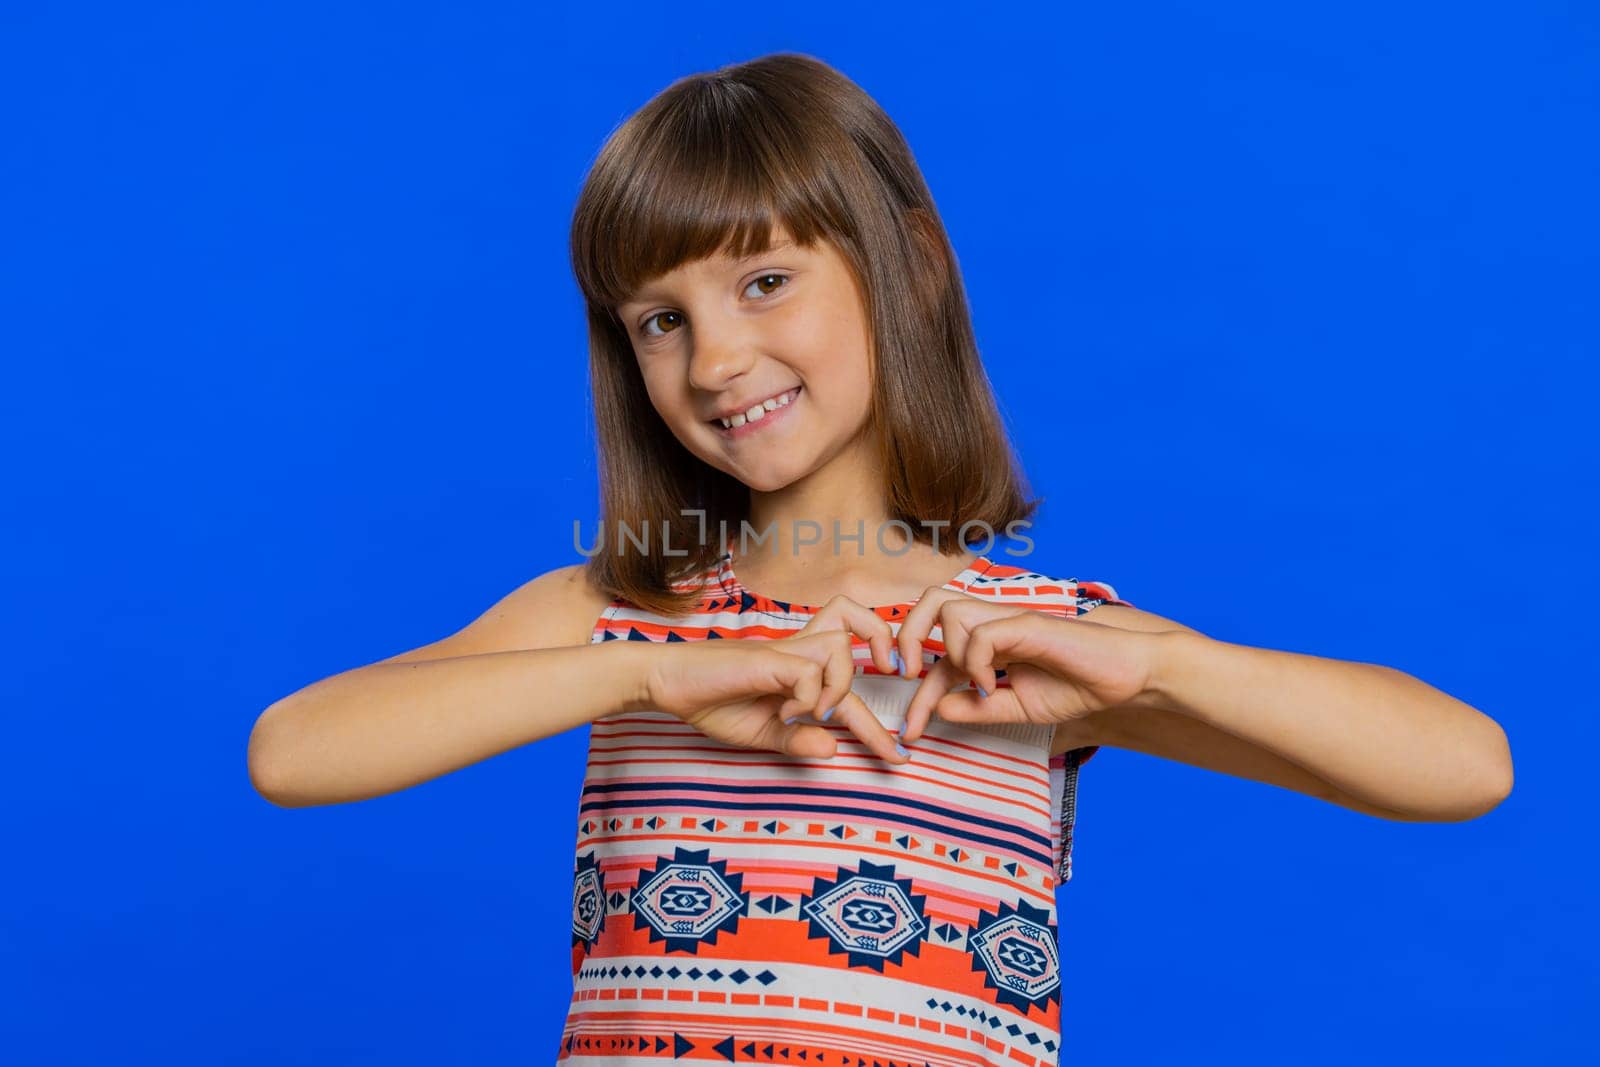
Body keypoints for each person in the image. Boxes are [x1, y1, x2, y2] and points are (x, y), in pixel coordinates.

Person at [246, 52, 1514, 1065]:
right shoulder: (616, 616)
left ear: (907, 267)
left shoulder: (1033, 650)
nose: (715, 360)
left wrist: (1156, 667)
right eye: (660, 320)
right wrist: (642, 675)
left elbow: (1462, 766)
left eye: (764, 282)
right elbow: (296, 750)